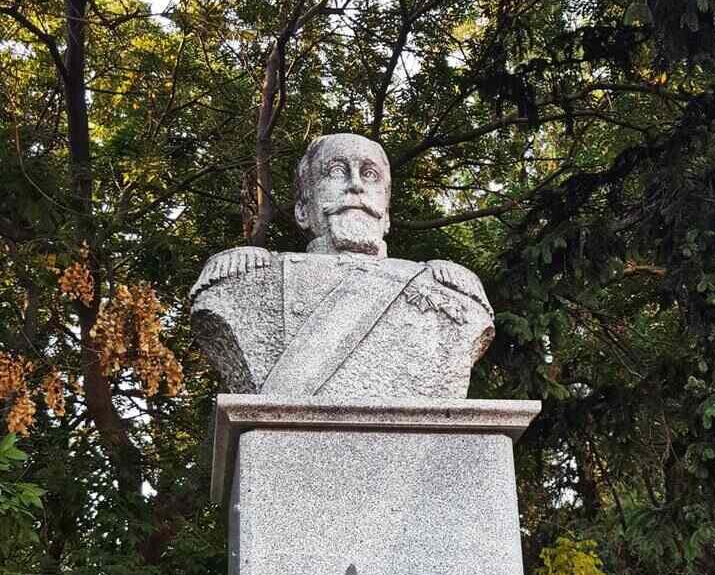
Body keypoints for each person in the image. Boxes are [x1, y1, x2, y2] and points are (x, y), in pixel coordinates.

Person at [190, 131, 494, 401]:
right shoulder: (246, 281)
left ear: (387, 214)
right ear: (302, 209)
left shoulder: (449, 289)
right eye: (336, 172)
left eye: (370, 174)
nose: (356, 185)